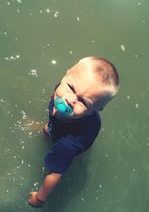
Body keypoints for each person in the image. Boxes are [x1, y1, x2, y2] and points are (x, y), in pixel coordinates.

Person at [28, 56, 119, 208]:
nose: (69, 100)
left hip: (74, 137)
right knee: (47, 129)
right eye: (70, 88)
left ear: (94, 111)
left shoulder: (67, 144)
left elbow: (54, 175)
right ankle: (48, 129)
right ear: (66, 75)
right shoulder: (62, 90)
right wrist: (54, 97)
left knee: (57, 162)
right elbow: (61, 93)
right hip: (66, 125)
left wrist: (39, 198)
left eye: (83, 102)